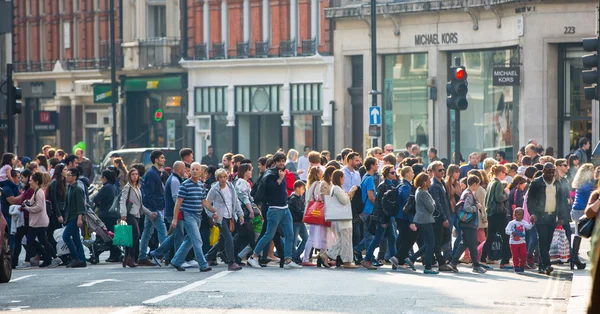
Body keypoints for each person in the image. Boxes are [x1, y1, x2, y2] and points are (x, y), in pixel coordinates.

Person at [247, 152, 302, 269]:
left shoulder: (283, 172)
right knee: (268, 235)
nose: (281, 163)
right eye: (279, 161)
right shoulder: (271, 173)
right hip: (274, 209)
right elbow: (270, 189)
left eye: (283, 161)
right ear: (275, 162)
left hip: (285, 208)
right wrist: (280, 179)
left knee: (290, 234)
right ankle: (253, 256)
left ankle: (288, 260)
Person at [170, 162, 218, 272]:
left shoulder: (201, 185)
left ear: (200, 172)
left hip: (198, 216)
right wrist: (175, 219)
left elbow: (203, 201)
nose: (195, 171)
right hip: (189, 215)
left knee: (189, 241)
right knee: (197, 240)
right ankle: (203, 264)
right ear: (189, 171)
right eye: (193, 169)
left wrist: (213, 210)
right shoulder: (185, 185)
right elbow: (178, 203)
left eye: (197, 169)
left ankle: (176, 261)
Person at [526, 163, 570, 275]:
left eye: (552, 171)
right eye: (548, 171)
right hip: (540, 216)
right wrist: (532, 213)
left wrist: (561, 217)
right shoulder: (536, 182)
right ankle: (547, 265)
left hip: (552, 216)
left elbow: (561, 201)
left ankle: (541, 265)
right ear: (544, 171)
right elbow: (530, 200)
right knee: (543, 240)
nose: (551, 173)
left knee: (548, 241)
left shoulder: (558, 183)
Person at [205, 169, 245, 271]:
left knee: (222, 241)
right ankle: (231, 262)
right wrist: (212, 214)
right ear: (217, 178)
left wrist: (240, 214)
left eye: (224, 177)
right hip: (220, 217)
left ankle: (207, 257)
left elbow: (235, 201)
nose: (223, 179)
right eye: (220, 177)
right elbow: (206, 203)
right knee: (229, 238)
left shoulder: (230, 186)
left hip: (230, 216)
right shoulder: (214, 189)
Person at [448, 175, 487, 274]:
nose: (477, 187)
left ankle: (453, 262)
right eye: (477, 185)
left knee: (464, 243)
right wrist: (476, 207)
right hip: (470, 223)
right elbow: (467, 207)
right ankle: (476, 266)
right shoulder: (469, 194)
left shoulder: (465, 192)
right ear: (474, 184)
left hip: (465, 223)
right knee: (473, 245)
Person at [362, 165, 398, 270]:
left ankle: (394, 259)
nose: (394, 174)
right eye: (392, 173)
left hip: (388, 217)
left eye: (394, 172)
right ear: (386, 174)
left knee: (392, 237)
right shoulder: (383, 186)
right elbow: (379, 204)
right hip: (383, 217)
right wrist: (381, 219)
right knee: (378, 238)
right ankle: (367, 258)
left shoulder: (391, 185)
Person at [150, 161, 186, 266]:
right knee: (179, 236)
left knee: (175, 235)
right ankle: (178, 259)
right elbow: (176, 198)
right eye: (184, 169)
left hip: (173, 211)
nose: (185, 171)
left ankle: (157, 252)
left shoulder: (174, 179)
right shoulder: (175, 180)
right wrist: (182, 209)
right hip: (174, 212)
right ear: (179, 169)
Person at [138, 150, 168, 266]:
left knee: (147, 231)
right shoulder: (152, 173)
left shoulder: (155, 172)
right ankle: (166, 256)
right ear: (156, 160)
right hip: (154, 208)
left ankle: (142, 256)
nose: (164, 159)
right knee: (162, 231)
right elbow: (149, 193)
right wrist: (153, 210)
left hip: (154, 207)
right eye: (162, 158)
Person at [323, 170, 358, 269]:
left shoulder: (336, 188)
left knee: (344, 240)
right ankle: (344, 260)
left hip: (343, 219)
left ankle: (331, 255)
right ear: (339, 178)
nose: (344, 179)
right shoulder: (337, 188)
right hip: (342, 219)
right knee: (345, 240)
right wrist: (351, 192)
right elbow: (344, 200)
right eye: (342, 177)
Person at [120, 168, 154, 268]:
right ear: (129, 176)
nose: (135, 176)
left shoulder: (137, 187)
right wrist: (123, 214)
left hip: (137, 214)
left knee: (130, 237)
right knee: (136, 234)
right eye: (133, 174)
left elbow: (140, 205)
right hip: (129, 214)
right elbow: (122, 201)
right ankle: (131, 258)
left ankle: (127, 258)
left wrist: (150, 213)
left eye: (136, 174)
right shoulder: (128, 187)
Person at [480, 165, 512, 269]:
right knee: (505, 236)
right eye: (505, 173)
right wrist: (506, 194)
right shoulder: (498, 183)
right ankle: (505, 261)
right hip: (499, 214)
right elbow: (499, 198)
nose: (505, 175)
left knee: (490, 237)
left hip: (491, 213)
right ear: (501, 173)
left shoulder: (491, 183)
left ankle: (483, 259)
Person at [408, 172, 439, 274]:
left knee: (428, 243)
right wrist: (433, 203)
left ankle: (412, 259)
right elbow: (431, 208)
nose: (430, 182)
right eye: (429, 180)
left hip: (423, 220)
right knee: (431, 243)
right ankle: (428, 266)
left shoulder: (421, 191)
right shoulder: (423, 193)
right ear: (425, 182)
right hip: (424, 220)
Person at [92, 169, 121, 262]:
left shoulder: (106, 187)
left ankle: (100, 254)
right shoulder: (115, 186)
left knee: (104, 235)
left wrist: (100, 201)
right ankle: (115, 254)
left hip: (106, 214)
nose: (101, 179)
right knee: (112, 235)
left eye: (102, 177)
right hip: (114, 214)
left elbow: (96, 199)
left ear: (105, 178)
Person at [354, 157, 378, 262]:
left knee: (370, 235)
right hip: (368, 209)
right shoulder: (369, 179)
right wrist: (378, 205)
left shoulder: (364, 177)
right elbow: (371, 196)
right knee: (369, 236)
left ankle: (358, 250)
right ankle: (368, 257)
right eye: (376, 164)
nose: (377, 166)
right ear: (371, 166)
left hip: (365, 209)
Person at [571, 163, 595, 270]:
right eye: (592, 170)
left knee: (578, 233)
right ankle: (580, 256)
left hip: (576, 210)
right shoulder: (587, 185)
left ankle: (574, 258)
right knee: (590, 231)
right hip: (582, 210)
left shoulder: (582, 182)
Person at [63, 168, 87, 268]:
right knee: (76, 238)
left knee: (66, 236)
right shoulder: (70, 188)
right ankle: (82, 260)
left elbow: (81, 205)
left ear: (74, 177)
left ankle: (76, 257)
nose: (66, 177)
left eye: (69, 175)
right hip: (69, 217)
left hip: (75, 217)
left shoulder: (78, 189)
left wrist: (79, 218)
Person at [301, 166, 323, 267]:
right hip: (315, 211)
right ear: (317, 174)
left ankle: (306, 257)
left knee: (312, 235)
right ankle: (305, 258)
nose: (322, 173)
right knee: (312, 236)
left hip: (309, 211)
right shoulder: (317, 184)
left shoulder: (309, 184)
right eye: (320, 172)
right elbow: (318, 197)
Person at [505, 207, 536, 274]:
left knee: (524, 254)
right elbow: (506, 230)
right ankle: (516, 267)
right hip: (513, 243)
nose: (521, 216)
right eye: (519, 214)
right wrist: (511, 233)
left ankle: (521, 266)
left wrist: (532, 223)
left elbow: (528, 227)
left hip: (522, 242)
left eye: (522, 214)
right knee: (515, 256)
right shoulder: (511, 223)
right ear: (514, 215)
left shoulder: (523, 222)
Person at [287, 180, 307, 265]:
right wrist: (304, 213)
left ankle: (296, 255)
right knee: (293, 241)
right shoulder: (293, 199)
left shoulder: (300, 198)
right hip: (295, 222)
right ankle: (295, 257)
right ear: (297, 188)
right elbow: (297, 211)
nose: (303, 190)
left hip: (301, 222)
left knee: (306, 238)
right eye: (302, 189)